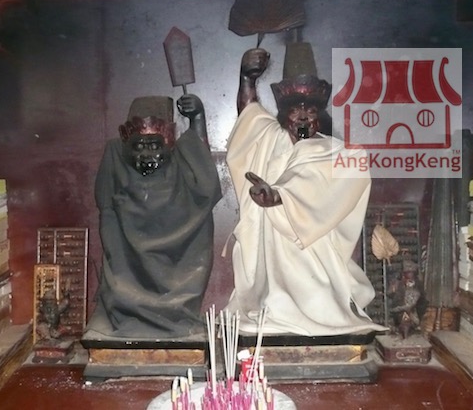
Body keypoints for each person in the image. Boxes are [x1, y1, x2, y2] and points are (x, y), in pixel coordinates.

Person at [224, 44, 387, 336]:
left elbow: (320, 189)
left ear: (321, 115)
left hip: (314, 255)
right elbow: (249, 117)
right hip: (272, 251)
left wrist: (279, 197)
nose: (302, 117)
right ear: (284, 113)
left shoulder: (340, 154)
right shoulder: (270, 139)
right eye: (295, 110)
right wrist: (247, 78)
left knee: (318, 303)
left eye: (310, 111)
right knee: (272, 300)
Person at [88, 94, 222, 339]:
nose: (147, 155)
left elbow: (206, 186)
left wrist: (197, 119)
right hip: (127, 261)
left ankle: (174, 318)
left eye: (154, 146)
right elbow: (106, 210)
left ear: (169, 143)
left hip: (177, 266)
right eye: (139, 146)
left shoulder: (182, 160)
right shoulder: (115, 155)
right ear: (126, 143)